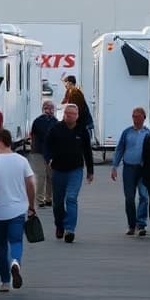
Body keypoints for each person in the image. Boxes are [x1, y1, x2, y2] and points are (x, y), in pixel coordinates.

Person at [0, 128, 36, 292]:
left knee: (1, 246)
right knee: (16, 241)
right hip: (18, 209)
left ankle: (4, 282)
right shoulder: (21, 161)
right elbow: (30, 184)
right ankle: (15, 262)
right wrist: (31, 205)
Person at [46, 103, 93, 242]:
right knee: (58, 202)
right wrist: (49, 159)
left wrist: (90, 171)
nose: (70, 116)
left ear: (77, 116)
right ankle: (59, 225)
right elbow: (46, 145)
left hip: (75, 170)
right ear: (64, 115)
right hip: (58, 169)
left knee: (71, 198)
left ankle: (70, 229)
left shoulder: (82, 130)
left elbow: (87, 151)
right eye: (68, 114)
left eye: (73, 114)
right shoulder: (56, 128)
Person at [110, 106, 150, 236]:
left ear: (144, 118)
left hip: (143, 169)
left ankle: (141, 224)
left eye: (138, 116)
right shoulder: (127, 132)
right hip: (129, 168)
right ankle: (131, 224)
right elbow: (120, 149)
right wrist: (114, 166)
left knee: (144, 196)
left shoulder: (148, 134)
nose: (135, 119)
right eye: (133, 116)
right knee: (129, 198)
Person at [29, 100, 57, 208]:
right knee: (44, 176)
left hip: (44, 152)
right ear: (43, 109)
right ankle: (43, 199)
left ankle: (46, 199)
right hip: (41, 152)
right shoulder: (43, 121)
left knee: (47, 176)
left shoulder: (50, 121)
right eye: (47, 108)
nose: (50, 110)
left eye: (51, 108)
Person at [62, 75, 94, 141]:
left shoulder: (76, 93)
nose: (65, 85)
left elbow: (78, 109)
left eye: (65, 83)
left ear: (70, 83)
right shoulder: (69, 91)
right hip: (78, 121)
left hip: (83, 122)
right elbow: (64, 102)